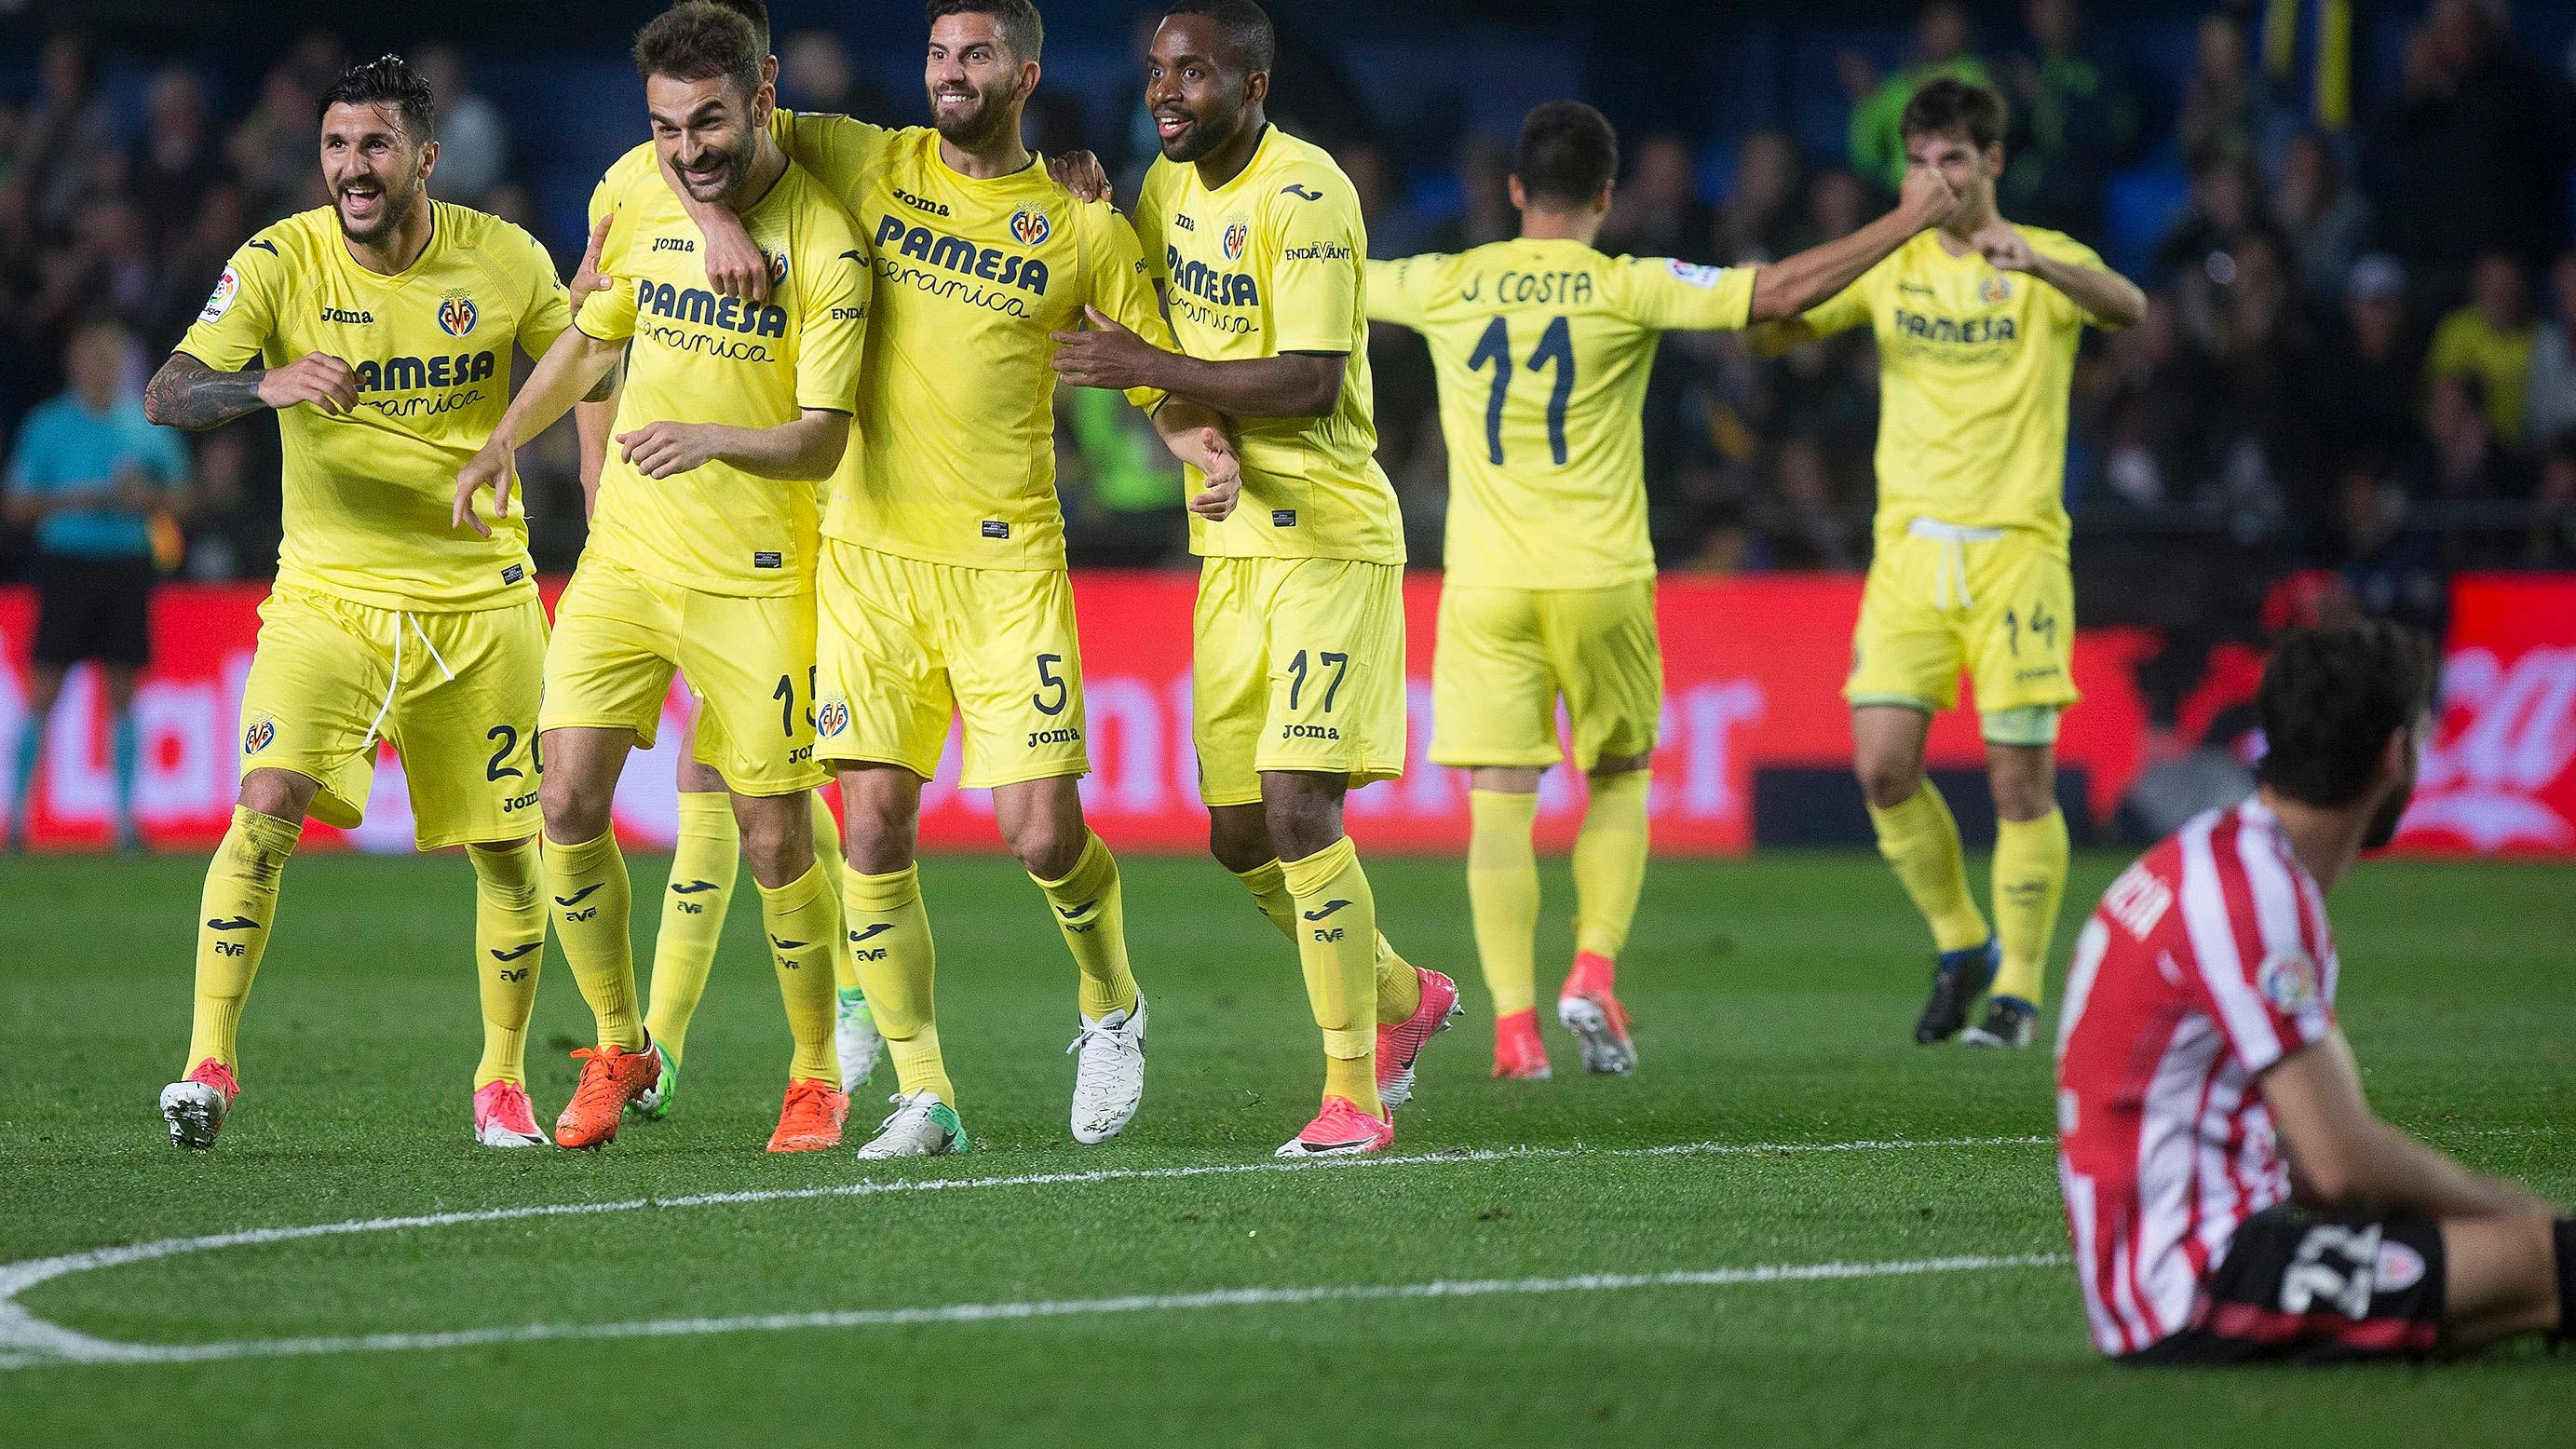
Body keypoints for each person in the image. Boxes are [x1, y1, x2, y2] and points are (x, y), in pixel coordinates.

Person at [642, 0, 1241, 1158]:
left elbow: (1145, 368)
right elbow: (685, 137)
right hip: (866, 558)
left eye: (975, 55)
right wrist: (706, 218)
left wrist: (1198, 446)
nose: (950, 72)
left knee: (1038, 830)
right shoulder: (865, 156)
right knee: (868, 826)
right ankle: (928, 1093)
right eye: (937, 53)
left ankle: (1110, 1000)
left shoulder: (1079, 224)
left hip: (1005, 563)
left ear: (1024, 70)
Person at [1364, 102, 1962, 1080]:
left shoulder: (1444, 280)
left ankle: (1515, 1030)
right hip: (1601, 577)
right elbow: (1775, 295)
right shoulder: (1631, 283)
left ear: (1516, 191)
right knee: (1620, 774)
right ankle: (1592, 967)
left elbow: (1322, 273)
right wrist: (1906, 221)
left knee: (1499, 802)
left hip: (1485, 583)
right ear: (1607, 196)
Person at [452, 2, 870, 1154]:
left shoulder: (824, 245)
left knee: (776, 830)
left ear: (764, 95)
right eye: (668, 125)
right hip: (629, 558)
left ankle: (816, 1074)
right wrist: (505, 438)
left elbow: (826, 437)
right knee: (566, 801)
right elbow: (593, 336)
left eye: (709, 122)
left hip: (760, 572)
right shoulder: (634, 187)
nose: (688, 148)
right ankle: (625, 1041)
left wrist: (712, 439)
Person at [142, 56, 576, 1152]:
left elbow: (588, 364)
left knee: (508, 852)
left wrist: (593, 485)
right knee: (267, 794)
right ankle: (207, 1061)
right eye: (337, 146)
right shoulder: (279, 261)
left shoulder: (506, 257)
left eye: (374, 146)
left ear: (424, 157)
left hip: (480, 599)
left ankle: (502, 1083)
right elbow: (170, 389)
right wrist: (263, 384)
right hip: (327, 597)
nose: (352, 167)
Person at [1050, 0, 1458, 1158]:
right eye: (1155, 72)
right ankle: (1401, 997)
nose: (1164, 92)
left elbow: (1314, 380)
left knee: (1298, 805)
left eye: (1192, 74)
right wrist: (1089, 215)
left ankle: (1352, 1097)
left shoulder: (1308, 192)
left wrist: (1145, 362)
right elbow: (1121, 293)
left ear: (1255, 85)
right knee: (1239, 835)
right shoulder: (1163, 191)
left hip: (1328, 538)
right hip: (1229, 549)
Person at [2057, 620, 2570, 1362]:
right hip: (2199, 1285)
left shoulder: (2222, 857)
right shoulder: (2255, 895)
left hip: (2169, 1266)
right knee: (2552, 1265)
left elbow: (2308, 1165)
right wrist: (2534, 1222)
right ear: (2397, 753)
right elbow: (2341, 1165)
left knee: (2521, 1271)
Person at [1753, 77, 2144, 1050]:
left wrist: (2047, 266)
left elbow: (2130, 306)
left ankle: (2016, 989)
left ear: (1993, 162)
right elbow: (1771, 325)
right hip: (1912, 555)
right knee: (1882, 767)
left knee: (2020, 785)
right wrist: (1883, 234)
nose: (1934, 178)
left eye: (1952, 160)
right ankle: (1959, 935)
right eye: (1919, 161)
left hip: (2017, 553)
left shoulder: (2042, 262)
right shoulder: (1895, 263)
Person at [4, 318, 191, 853]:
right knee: (43, 691)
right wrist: (72, 499)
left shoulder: (145, 423)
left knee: (123, 693)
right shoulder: (48, 425)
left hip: (127, 562)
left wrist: (147, 498)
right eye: (92, 355)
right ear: (74, 362)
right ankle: (15, 823)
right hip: (67, 561)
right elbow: (16, 505)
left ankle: (126, 824)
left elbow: (180, 499)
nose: (101, 365)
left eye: (110, 356)